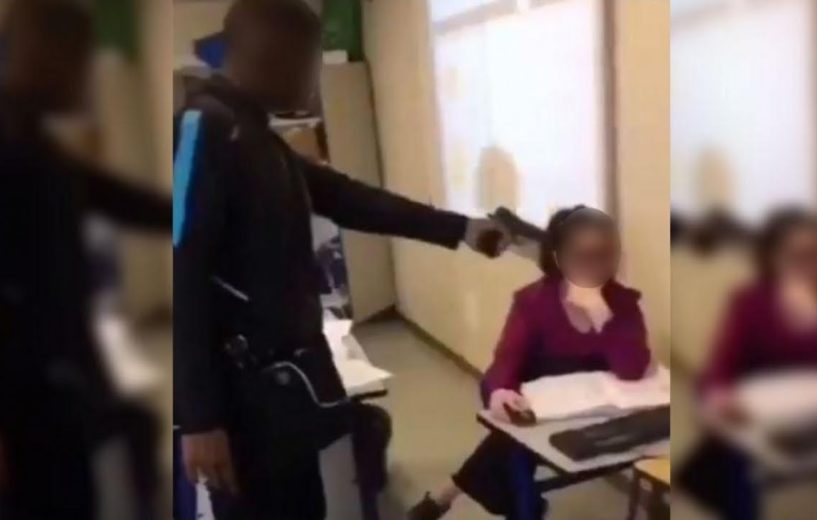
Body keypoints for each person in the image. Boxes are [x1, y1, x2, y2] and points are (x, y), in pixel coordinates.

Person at [173, 1, 510, 518]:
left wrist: (460, 228)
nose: (314, 81)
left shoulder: (256, 136)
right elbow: (181, 270)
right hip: (242, 403)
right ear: (275, 56)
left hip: (286, 394)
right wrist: (199, 418)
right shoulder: (205, 129)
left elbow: (348, 198)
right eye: (311, 63)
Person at [0, 0, 172, 518]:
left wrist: (202, 214)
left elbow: (114, 196)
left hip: (60, 385)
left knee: (130, 443)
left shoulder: (30, 137)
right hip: (24, 401)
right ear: (38, 54)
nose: (85, 78)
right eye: (78, 60)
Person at [408, 205, 652, 519]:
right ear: (558, 257)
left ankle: (453, 493)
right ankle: (520, 508)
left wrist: (604, 316)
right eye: (583, 255)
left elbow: (632, 369)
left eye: (604, 254)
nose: (596, 265)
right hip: (528, 396)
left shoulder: (622, 302)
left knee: (506, 449)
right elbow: (506, 362)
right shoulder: (533, 301)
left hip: (591, 405)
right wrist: (501, 391)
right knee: (515, 445)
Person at [677, 208, 817, 520]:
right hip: (749, 400)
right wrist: (719, 396)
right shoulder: (751, 301)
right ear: (773, 257)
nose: (809, 265)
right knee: (736, 455)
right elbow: (721, 365)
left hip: (815, 408)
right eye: (797, 255)